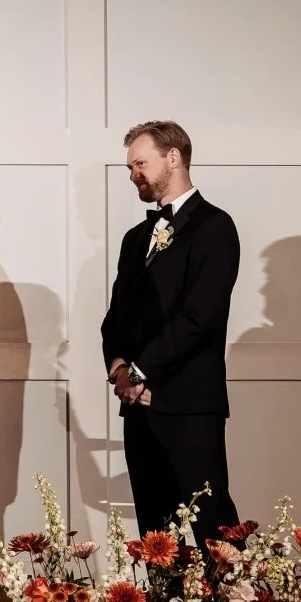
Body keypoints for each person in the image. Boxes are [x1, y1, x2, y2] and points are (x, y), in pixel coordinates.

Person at [100, 120, 241, 541]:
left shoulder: (215, 227)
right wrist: (120, 367)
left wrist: (141, 374)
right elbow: (115, 317)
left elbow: (199, 318)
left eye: (139, 163)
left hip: (190, 404)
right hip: (138, 406)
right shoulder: (134, 237)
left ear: (173, 157)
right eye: (129, 167)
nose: (133, 175)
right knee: (154, 536)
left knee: (214, 527)